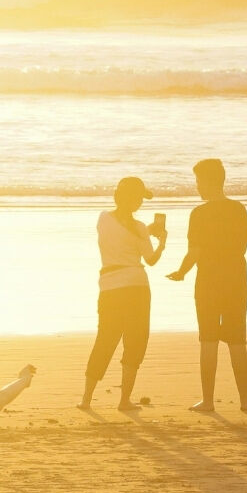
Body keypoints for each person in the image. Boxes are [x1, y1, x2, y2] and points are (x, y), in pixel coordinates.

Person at [167, 158, 247, 414]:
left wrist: (181, 272)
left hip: (207, 283)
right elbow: (242, 247)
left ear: (208, 181)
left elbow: (194, 252)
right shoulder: (239, 209)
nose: (197, 186)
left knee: (208, 341)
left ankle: (207, 401)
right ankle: (245, 401)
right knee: (237, 341)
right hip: (236, 282)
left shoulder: (199, 214)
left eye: (198, 181)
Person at [80, 176, 167, 412]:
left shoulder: (103, 218)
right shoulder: (139, 229)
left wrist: (146, 233)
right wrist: (161, 242)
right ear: (137, 201)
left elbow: (118, 237)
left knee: (105, 339)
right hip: (137, 286)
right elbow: (150, 260)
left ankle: (86, 399)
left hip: (110, 286)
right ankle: (124, 400)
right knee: (135, 341)